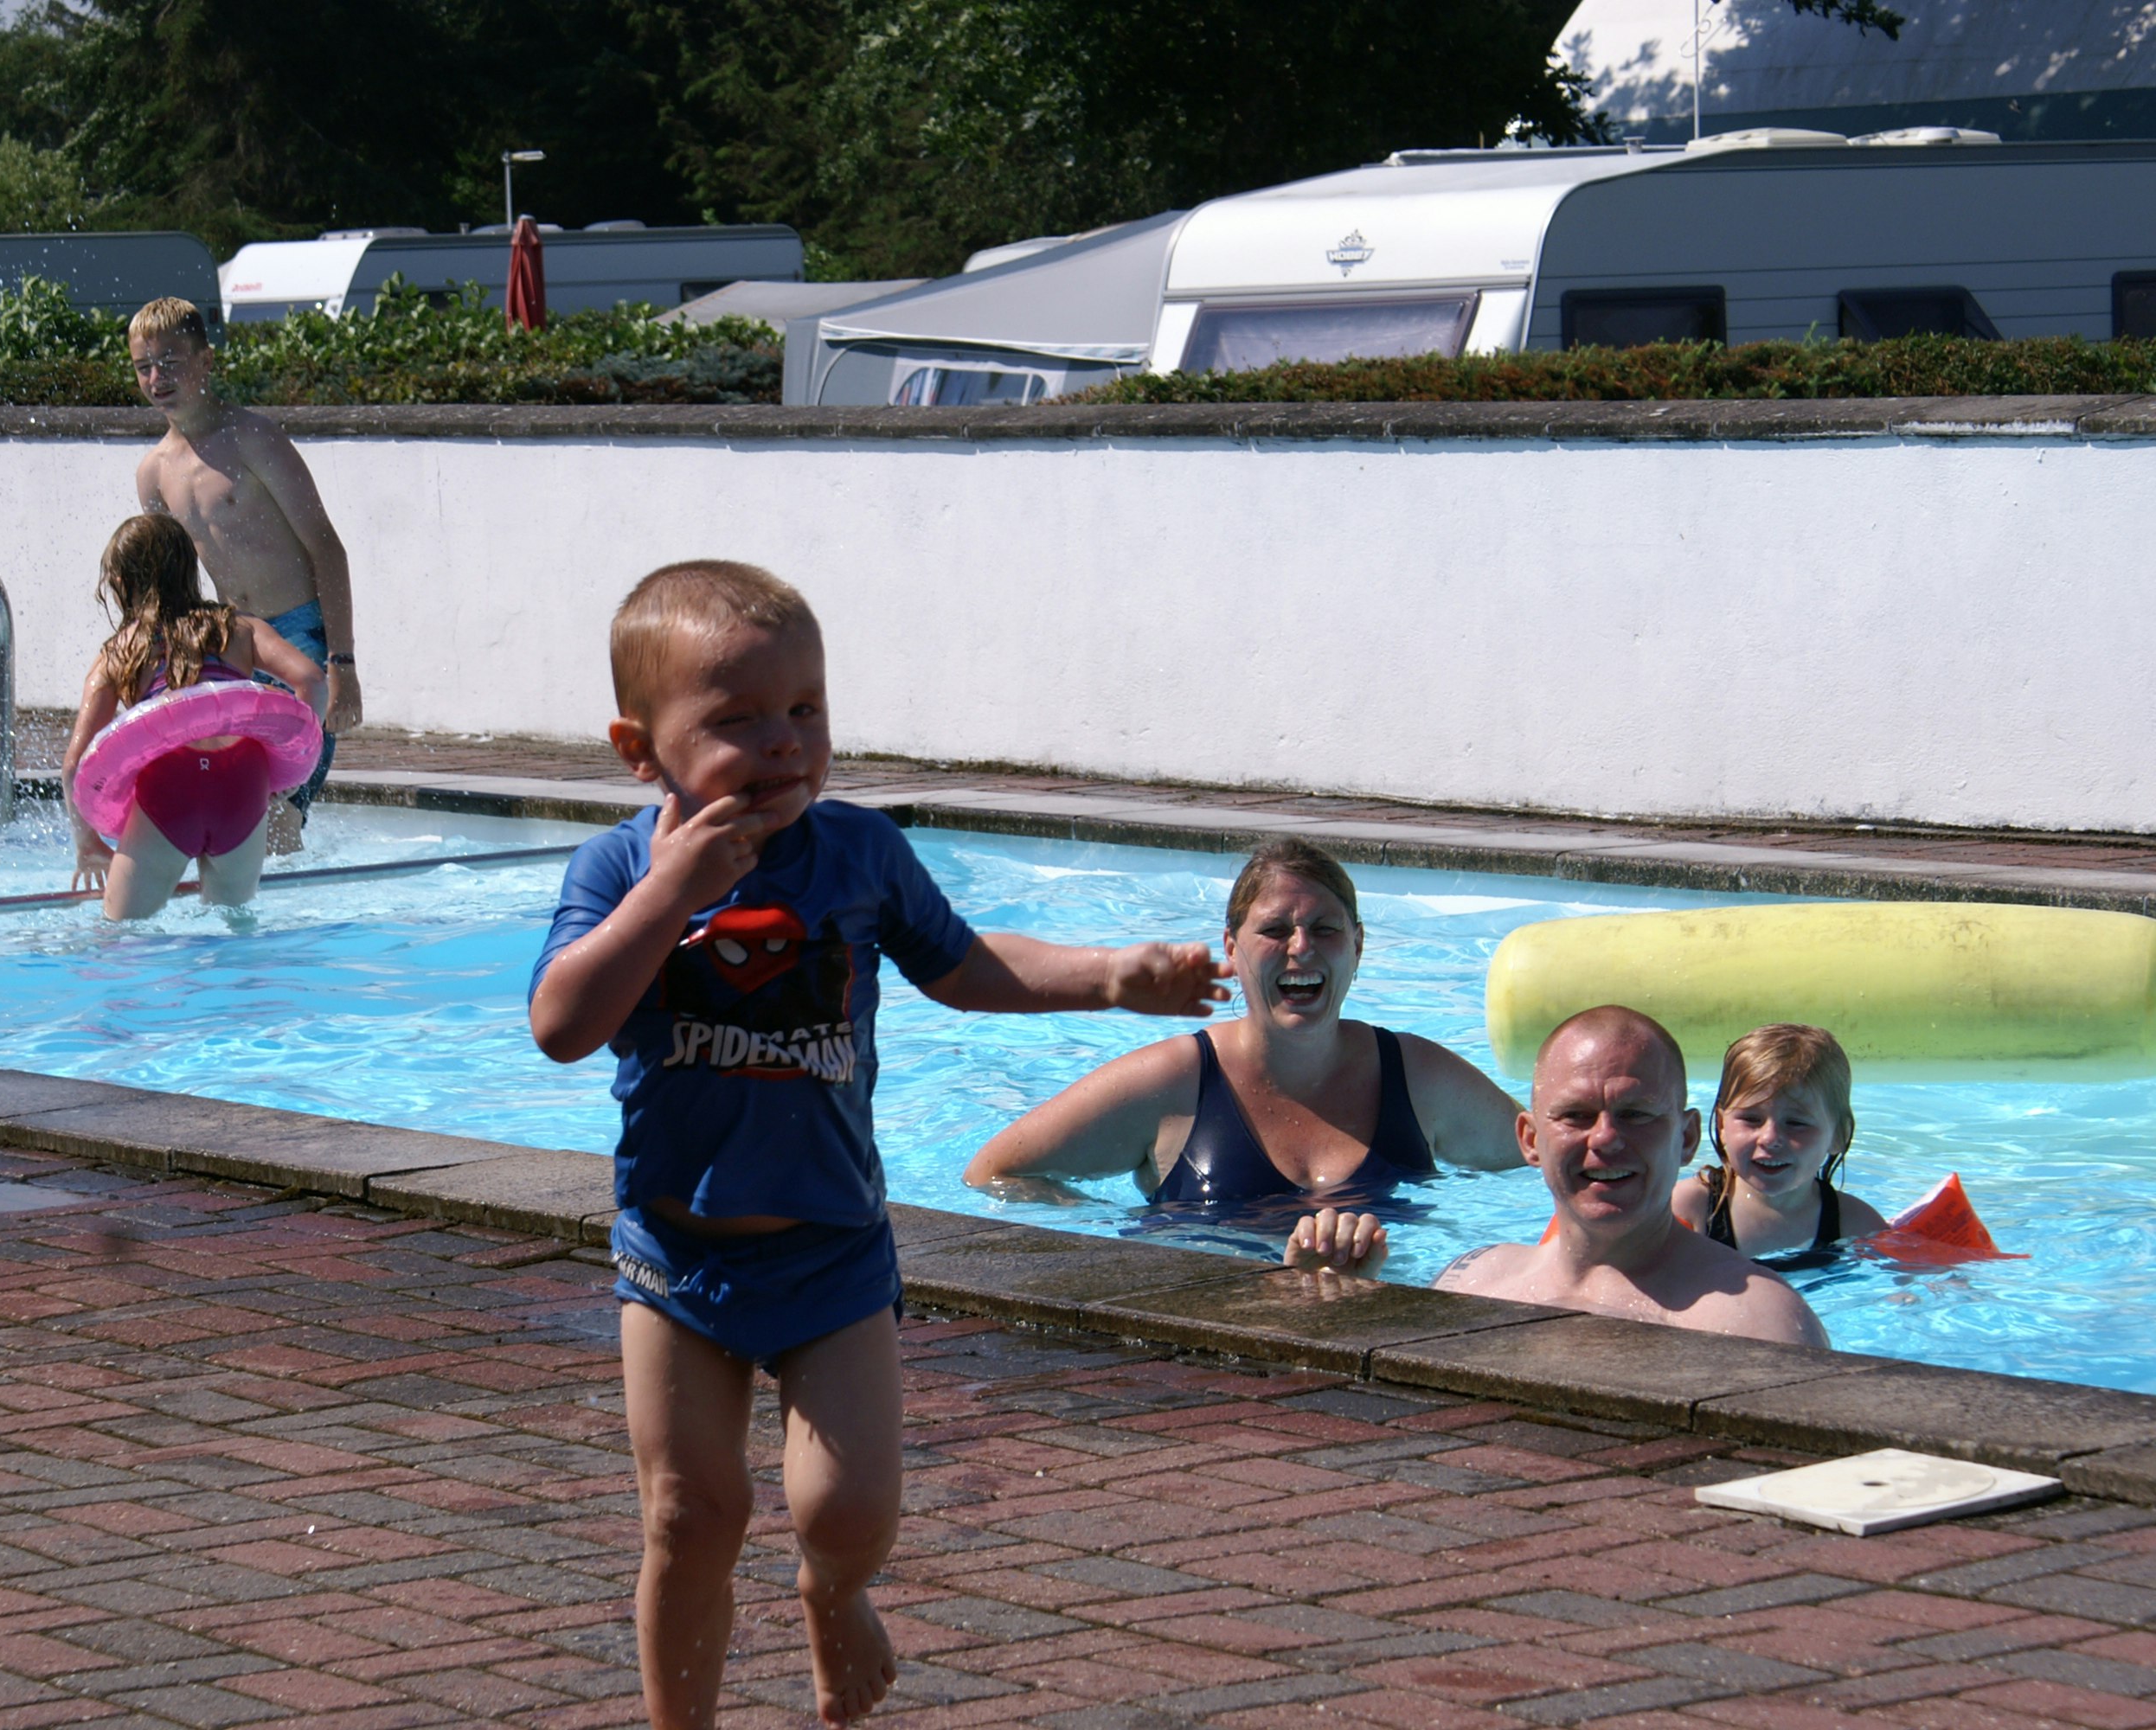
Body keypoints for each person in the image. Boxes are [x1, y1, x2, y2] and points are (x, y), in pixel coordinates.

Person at [528, 561, 1227, 1729]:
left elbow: (963, 967)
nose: (784, 742)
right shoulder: (614, 870)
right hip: (677, 1251)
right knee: (688, 1516)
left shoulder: (858, 854)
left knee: (847, 1511)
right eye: (738, 719)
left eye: (806, 710)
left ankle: (831, 1596)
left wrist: (1111, 979)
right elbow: (561, 1024)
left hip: (831, 1250)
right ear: (638, 748)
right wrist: (668, 893)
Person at [963, 840, 1523, 1225]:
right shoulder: (1176, 1083)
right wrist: (1122, 1230)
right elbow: (993, 1173)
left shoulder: (1416, 1075)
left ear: (1358, 945)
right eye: (1275, 930)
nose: (1301, 947)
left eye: (1324, 929)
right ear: (1231, 948)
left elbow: (1544, 1156)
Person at [1437, 1004, 1830, 1347]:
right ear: (1531, 1139)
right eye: (1576, 1114)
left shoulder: (1759, 1322)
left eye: (1636, 1114)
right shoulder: (1472, 1283)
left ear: (1687, 1138)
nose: (1606, 1138)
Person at [130, 295, 359, 854]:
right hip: (235, 644)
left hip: (301, 637)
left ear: (206, 361)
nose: (157, 377)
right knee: (242, 804)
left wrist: (343, 662)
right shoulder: (154, 473)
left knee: (277, 803)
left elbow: (326, 546)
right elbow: (169, 587)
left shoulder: (253, 438)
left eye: (171, 361)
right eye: (144, 366)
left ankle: (281, 922)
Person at [61, 516, 328, 920]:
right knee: (233, 934)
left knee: (123, 942)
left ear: (121, 583)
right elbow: (312, 681)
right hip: (243, 782)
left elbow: (75, 765)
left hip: (171, 788)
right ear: (189, 567)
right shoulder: (239, 628)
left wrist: (88, 843)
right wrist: (289, 773)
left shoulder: (121, 650)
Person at [1676, 1022, 1886, 1262]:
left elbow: (1898, 1289)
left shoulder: (1855, 1223)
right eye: (1751, 1119)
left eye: (1796, 1123)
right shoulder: (1691, 1209)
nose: (1770, 1138)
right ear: (1722, 1127)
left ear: (1839, 1135)